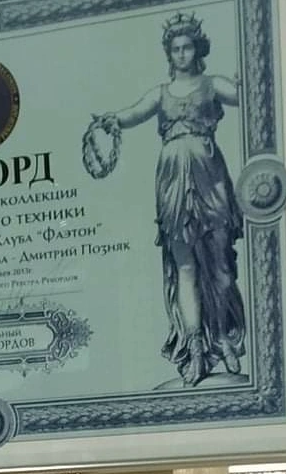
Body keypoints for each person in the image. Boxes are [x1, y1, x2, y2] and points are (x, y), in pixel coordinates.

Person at [97, 13, 245, 386]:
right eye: (175, 48)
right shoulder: (160, 93)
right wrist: (112, 120)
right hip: (172, 183)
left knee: (221, 267)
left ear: (198, 49)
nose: (181, 54)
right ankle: (195, 350)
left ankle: (224, 340)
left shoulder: (212, 84)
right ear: (169, 53)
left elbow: (247, 94)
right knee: (185, 268)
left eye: (187, 47)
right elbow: (134, 112)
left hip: (210, 177)